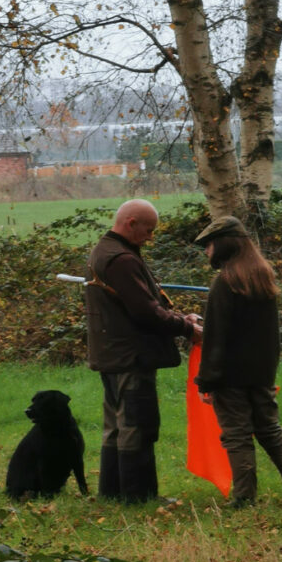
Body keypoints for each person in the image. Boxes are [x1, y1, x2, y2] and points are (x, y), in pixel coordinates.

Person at [194, 215, 282, 508]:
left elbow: (216, 339)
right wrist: (267, 375)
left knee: (237, 437)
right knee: (271, 431)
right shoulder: (262, 277)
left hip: (230, 378)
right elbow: (270, 337)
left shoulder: (225, 283)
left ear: (223, 245)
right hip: (260, 374)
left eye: (209, 245)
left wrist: (206, 381)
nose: (207, 251)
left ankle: (244, 499)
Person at [84, 198, 202, 503]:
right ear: (130, 223)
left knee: (116, 426)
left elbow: (140, 304)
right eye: (147, 230)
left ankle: (112, 493)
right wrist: (188, 329)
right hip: (130, 356)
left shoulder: (104, 250)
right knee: (138, 425)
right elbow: (145, 312)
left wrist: (179, 318)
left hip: (112, 354)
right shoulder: (122, 259)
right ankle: (140, 497)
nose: (150, 237)